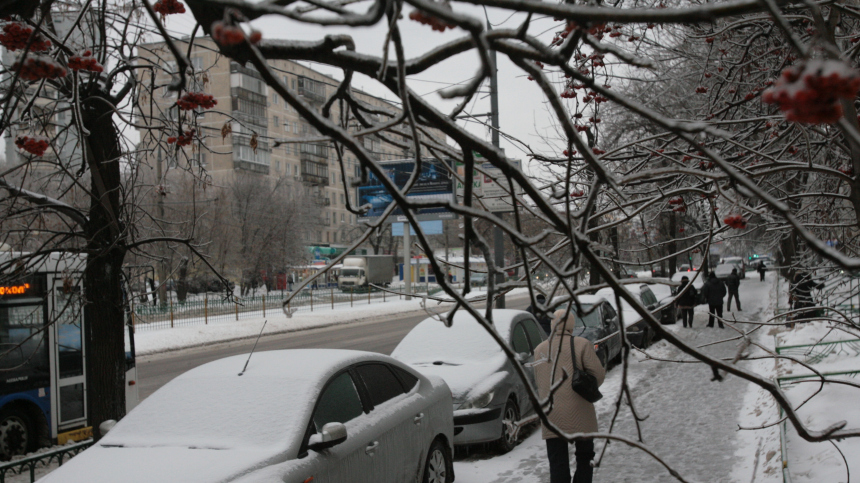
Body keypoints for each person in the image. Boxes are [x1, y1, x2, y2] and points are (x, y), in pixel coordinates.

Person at [534, 310, 605, 483]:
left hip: (552, 415)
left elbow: (538, 381)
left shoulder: (539, 349)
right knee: (585, 457)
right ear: (572, 326)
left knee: (557, 463)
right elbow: (598, 376)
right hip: (580, 412)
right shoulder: (581, 344)